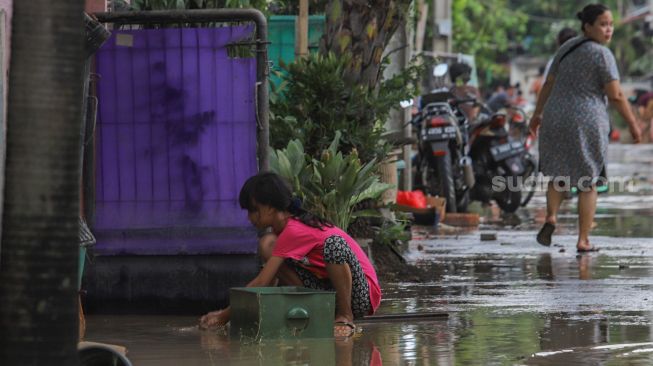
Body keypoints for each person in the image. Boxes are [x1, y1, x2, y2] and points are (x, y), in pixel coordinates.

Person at [199, 172, 382, 337]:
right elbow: (269, 282)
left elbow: (262, 281)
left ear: (269, 208)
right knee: (268, 245)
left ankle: (345, 316)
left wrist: (224, 316)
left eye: (252, 210)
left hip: (361, 295)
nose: (249, 217)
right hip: (329, 294)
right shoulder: (281, 235)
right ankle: (316, 311)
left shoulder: (294, 230)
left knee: (334, 244)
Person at [529, 4, 641, 252]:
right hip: (586, 121)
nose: (608, 29)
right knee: (588, 181)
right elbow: (616, 95)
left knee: (558, 174)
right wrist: (633, 124)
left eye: (610, 24)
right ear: (587, 26)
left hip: (555, 117)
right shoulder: (602, 54)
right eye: (603, 24)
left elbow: (548, 83)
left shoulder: (565, 48)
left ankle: (551, 217)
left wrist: (537, 115)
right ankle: (583, 240)